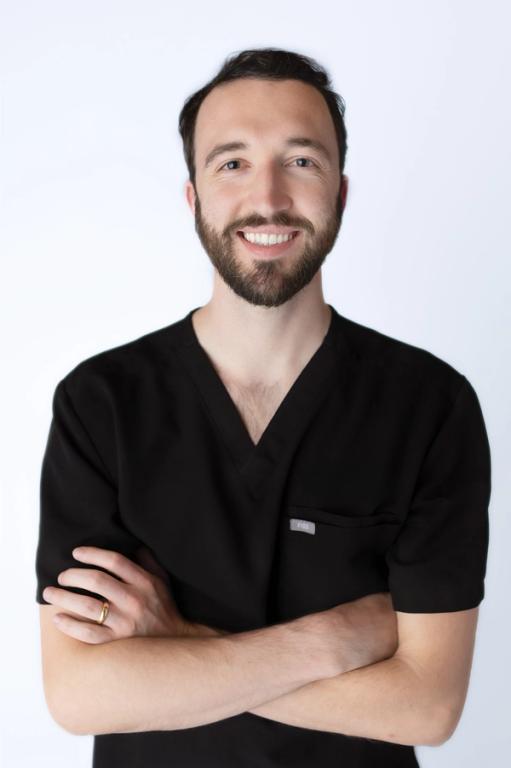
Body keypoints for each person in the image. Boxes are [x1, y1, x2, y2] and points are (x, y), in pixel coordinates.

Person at [35, 47, 491, 768]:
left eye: (300, 161)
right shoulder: (102, 404)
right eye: (232, 163)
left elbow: (428, 707)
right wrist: (330, 642)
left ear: (341, 191)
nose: (269, 199)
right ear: (193, 198)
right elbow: (81, 693)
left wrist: (180, 647)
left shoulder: (429, 405)